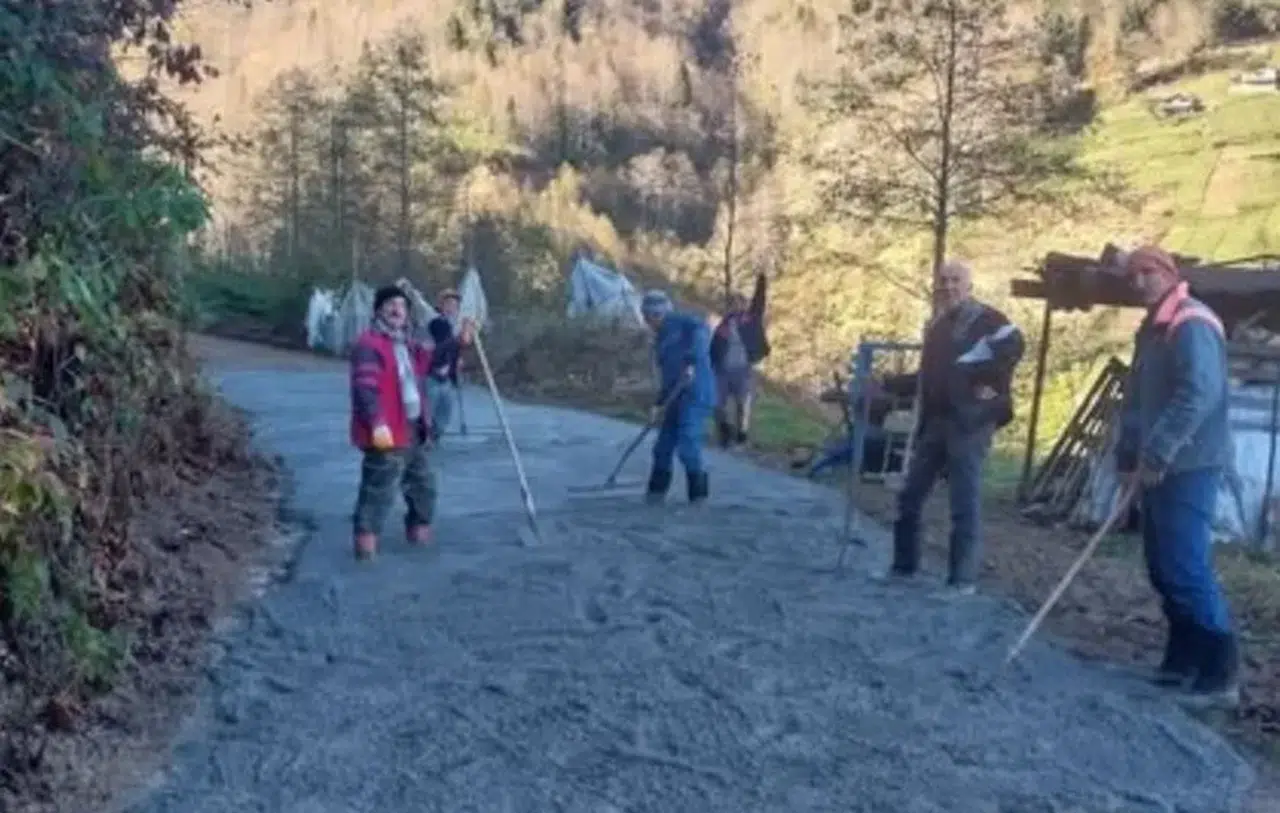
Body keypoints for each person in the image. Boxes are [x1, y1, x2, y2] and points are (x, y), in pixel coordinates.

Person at [1115, 245, 1239, 708]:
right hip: (1156, 464)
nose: (1140, 281)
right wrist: (1128, 456)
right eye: (1134, 276)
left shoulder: (1192, 322)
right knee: (1161, 564)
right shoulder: (1153, 329)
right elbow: (1136, 401)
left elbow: (1198, 393)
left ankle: (1219, 672)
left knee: (1186, 565)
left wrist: (1159, 450)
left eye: (1148, 272)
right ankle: (1182, 658)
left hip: (1190, 463)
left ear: (1169, 273)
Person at [887, 259, 1025, 595]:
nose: (949, 286)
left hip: (969, 424)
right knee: (910, 495)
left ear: (969, 286)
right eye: (944, 281)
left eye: (956, 280)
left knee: (964, 500)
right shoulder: (939, 327)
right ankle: (904, 567)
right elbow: (933, 376)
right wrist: (892, 384)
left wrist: (985, 391)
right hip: (935, 421)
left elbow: (1013, 351)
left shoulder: (992, 321)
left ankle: (961, 580)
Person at [348, 285, 438, 561]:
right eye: (390, 304)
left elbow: (434, 359)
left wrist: (461, 341)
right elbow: (365, 388)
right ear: (378, 311)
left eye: (401, 305)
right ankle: (366, 546)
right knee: (378, 488)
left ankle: (419, 534)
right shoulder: (369, 344)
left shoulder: (408, 345)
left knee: (423, 485)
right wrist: (377, 423)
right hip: (386, 430)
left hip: (412, 428)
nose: (397, 309)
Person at [640, 289, 716, 504]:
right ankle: (655, 494)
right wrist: (658, 404)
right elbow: (668, 377)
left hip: (695, 393)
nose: (647, 323)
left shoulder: (684, 323)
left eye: (647, 318)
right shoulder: (660, 340)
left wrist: (692, 362)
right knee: (661, 448)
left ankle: (698, 498)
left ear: (656, 315)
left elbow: (703, 330)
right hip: (675, 396)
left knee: (688, 446)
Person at [710, 274, 770, 447]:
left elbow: (759, 302)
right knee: (717, 404)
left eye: (739, 303)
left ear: (744, 305)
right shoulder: (724, 324)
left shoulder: (751, 320)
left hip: (743, 370)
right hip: (722, 370)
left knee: (742, 404)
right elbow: (714, 346)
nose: (736, 306)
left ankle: (741, 434)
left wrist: (761, 280)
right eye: (733, 303)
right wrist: (709, 365)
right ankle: (724, 431)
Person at [424, 288, 474, 440]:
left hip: (448, 378)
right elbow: (451, 341)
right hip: (431, 375)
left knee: (443, 416)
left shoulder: (454, 325)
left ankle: (433, 439)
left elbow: (463, 343)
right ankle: (422, 441)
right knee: (428, 413)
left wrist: (466, 331)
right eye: (448, 304)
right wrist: (465, 329)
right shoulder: (436, 322)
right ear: (441, 305)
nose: (452, 307)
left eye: (455, 304)